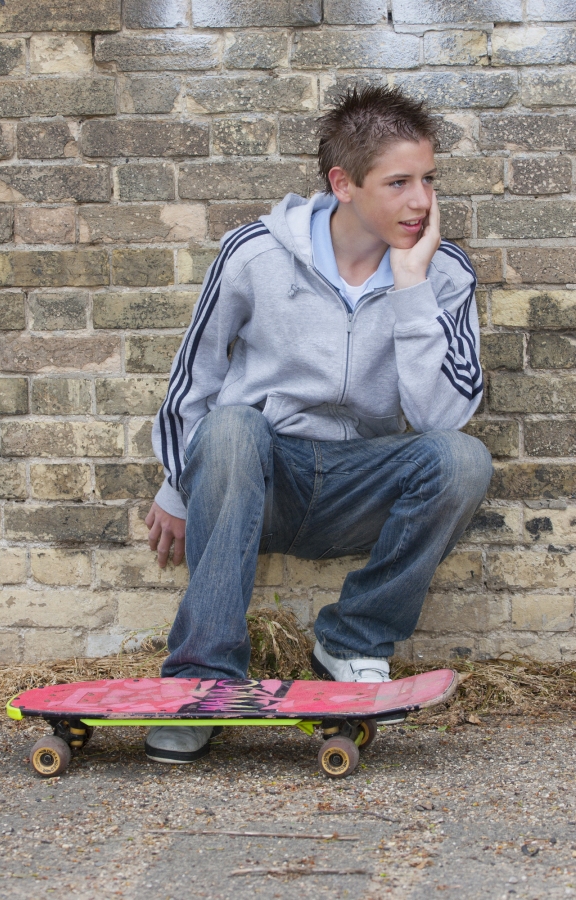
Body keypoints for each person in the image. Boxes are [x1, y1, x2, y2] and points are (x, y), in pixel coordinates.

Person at [143, 85, 492, 764]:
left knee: (463, 460)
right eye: (398, 183)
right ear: (344, 184)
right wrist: (177, 489)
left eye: (428, 180)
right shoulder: (255, 254)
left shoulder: (443, 273)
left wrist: (412, 287)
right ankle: (202, 681)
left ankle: (354, 640)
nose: (421, 201)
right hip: (260, 481)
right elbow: (196, 375)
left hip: (363, 482)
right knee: (232, 424)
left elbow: (443, 417)